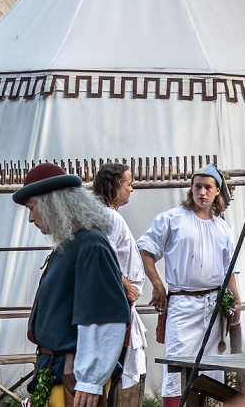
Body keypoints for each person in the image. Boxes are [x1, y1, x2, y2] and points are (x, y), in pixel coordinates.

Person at [13, 163, 131, 407]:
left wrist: (90, 379)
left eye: (33, 208)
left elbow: (105, 317)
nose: (31, 218)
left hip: (74, 379)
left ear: (54, 205)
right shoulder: (71, 243)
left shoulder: (91, 246)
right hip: (60, 371)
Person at [136, 163, 241, 407]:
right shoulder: (172, 219)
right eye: (197, 187)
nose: (202, 192)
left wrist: (236, 300)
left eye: (207, 187)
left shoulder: (222, 227)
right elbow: (145, 249)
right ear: (190, 190)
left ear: (217, 192)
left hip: (213, 307)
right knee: (177, 367)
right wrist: (157, 285)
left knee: (208, 368)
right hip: (182, 306)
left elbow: (229, 268)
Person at [93, 163, 147, 407]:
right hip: (115, 305)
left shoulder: (109, 214)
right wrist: (125, 284)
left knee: (114, 372)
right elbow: (102, 255)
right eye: (128, 184)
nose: (132, 189)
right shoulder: (108, 216)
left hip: (119, 303)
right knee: (111, 372)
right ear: (114, 186)